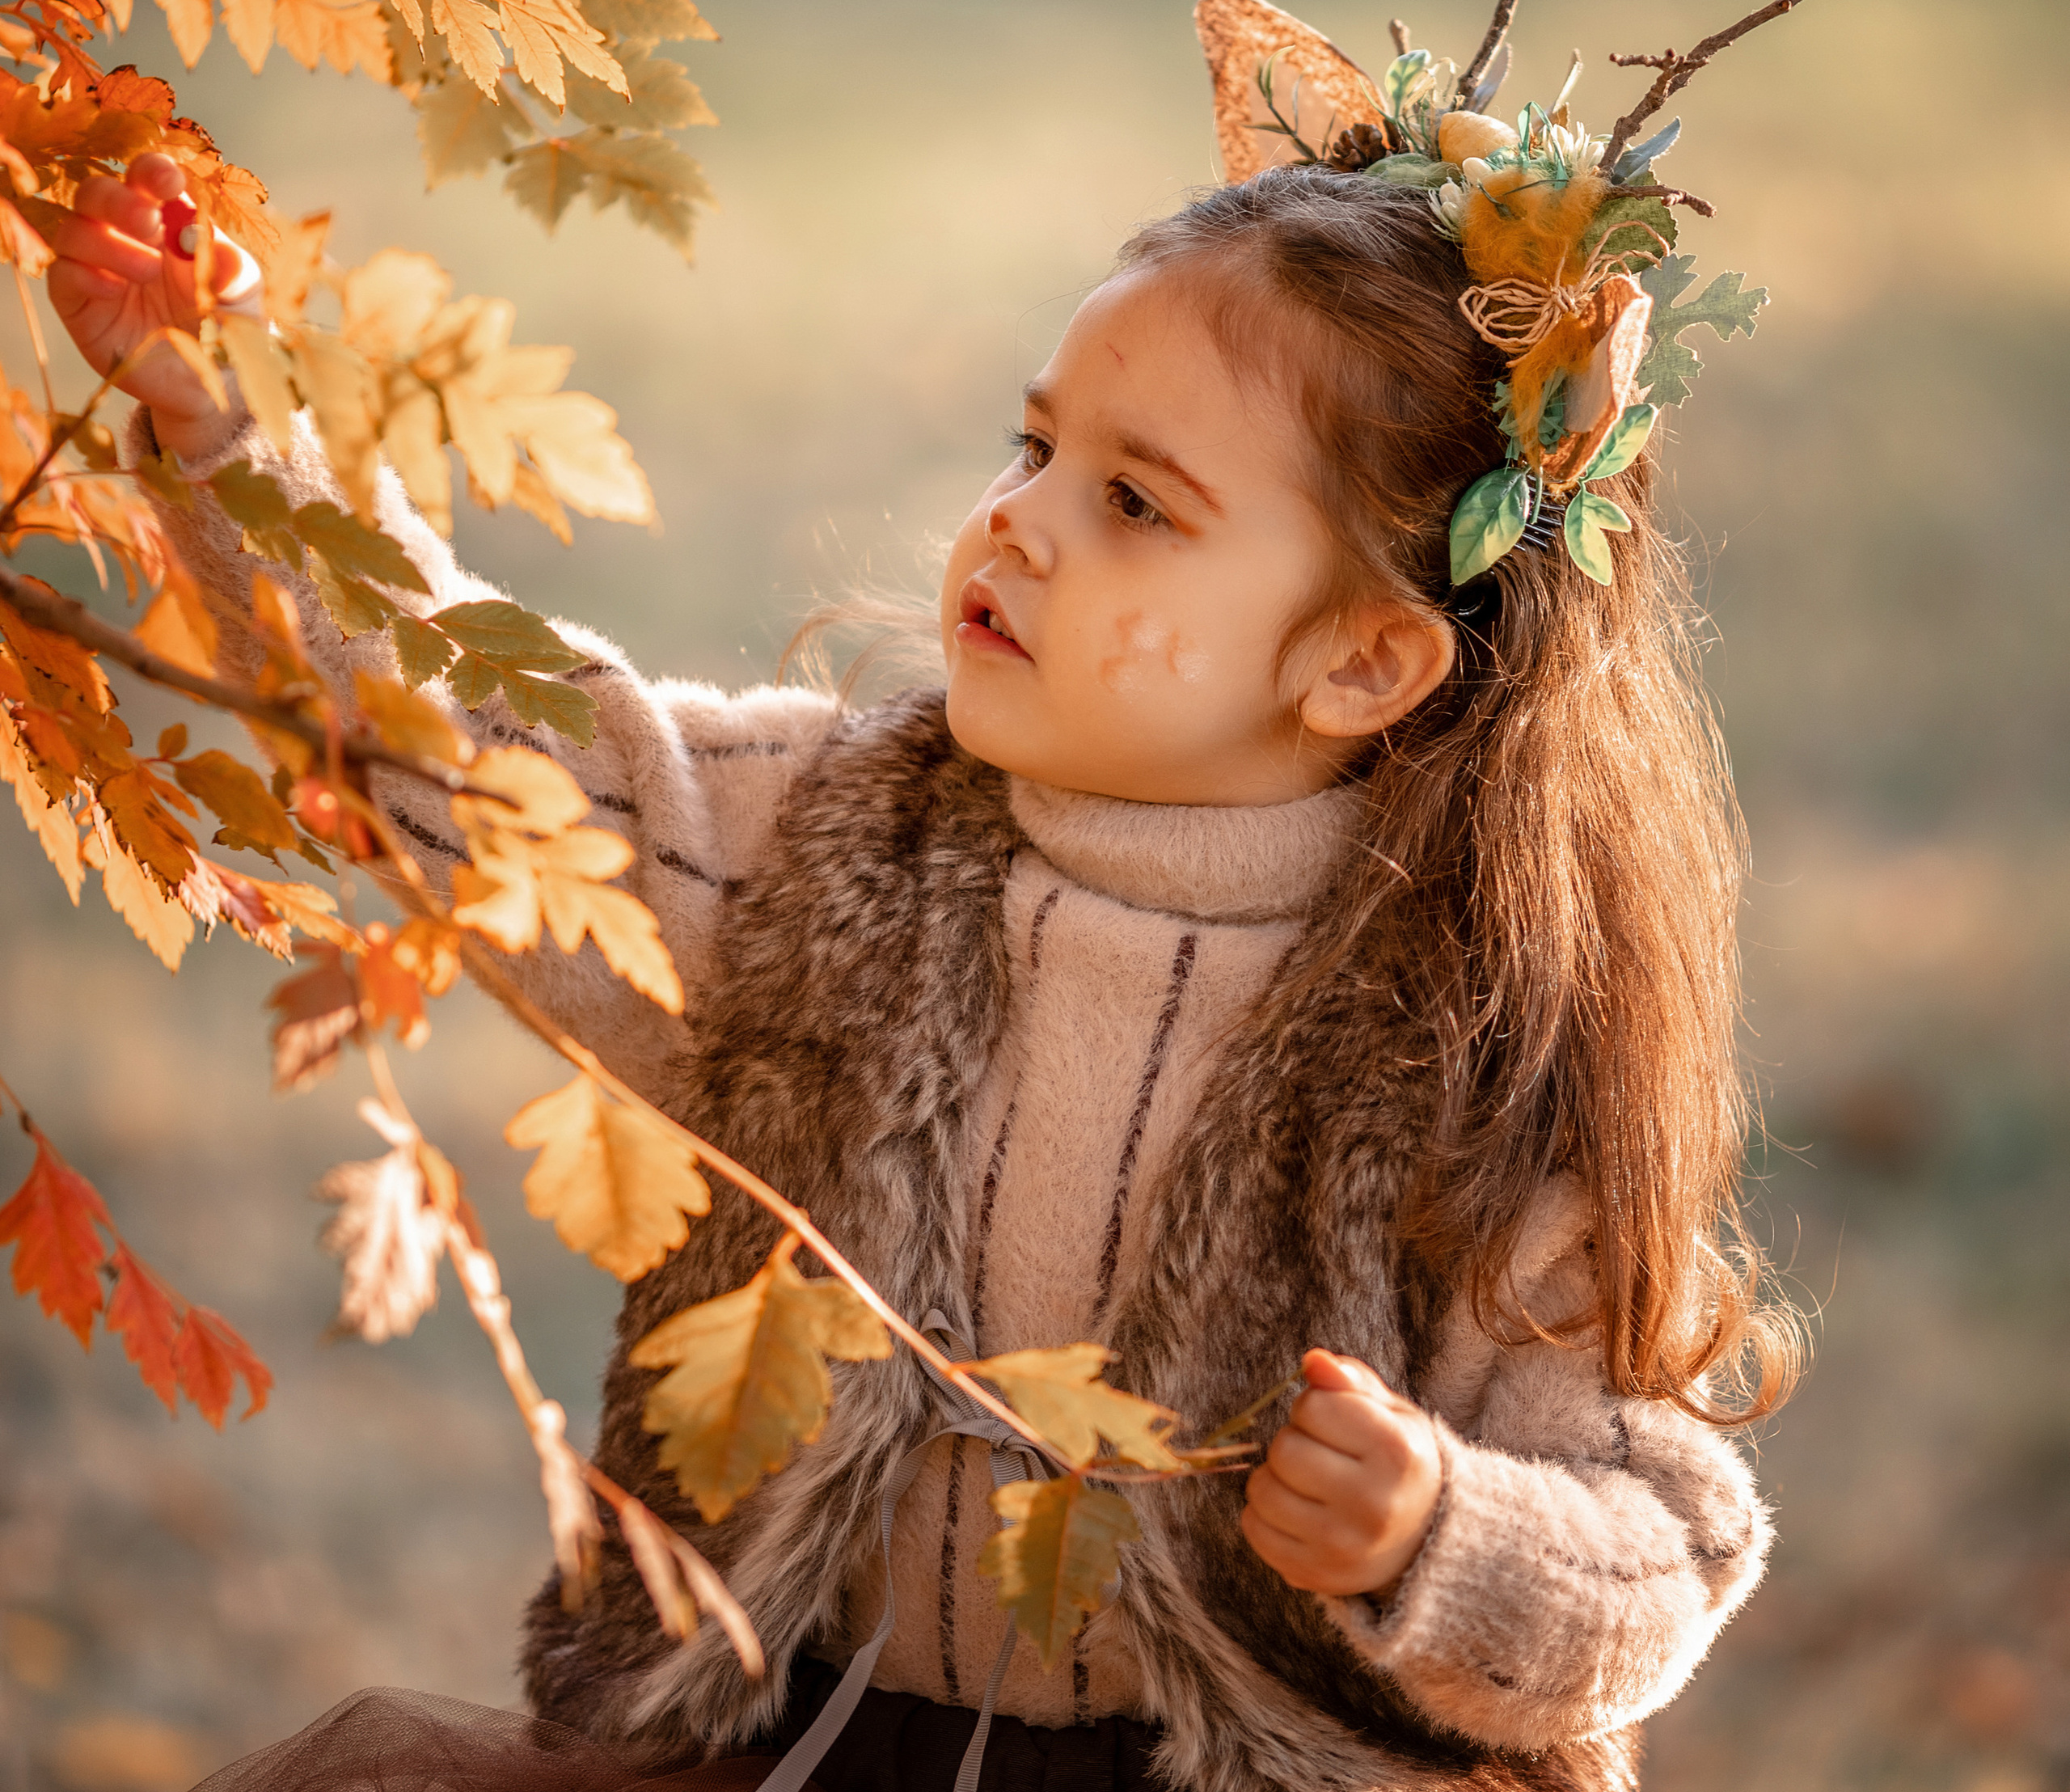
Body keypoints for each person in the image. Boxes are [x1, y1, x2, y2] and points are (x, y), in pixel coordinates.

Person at [49, 96, 1792, 1790]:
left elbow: (1669, 1536)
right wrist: (231, 435)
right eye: (1036, 450)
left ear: (1360, 660)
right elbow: (498, 754)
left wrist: (1438, 1530)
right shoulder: (837, 852)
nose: (1018, 517)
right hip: (813, 1742)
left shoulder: (1470, 1054)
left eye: (1135, 503)